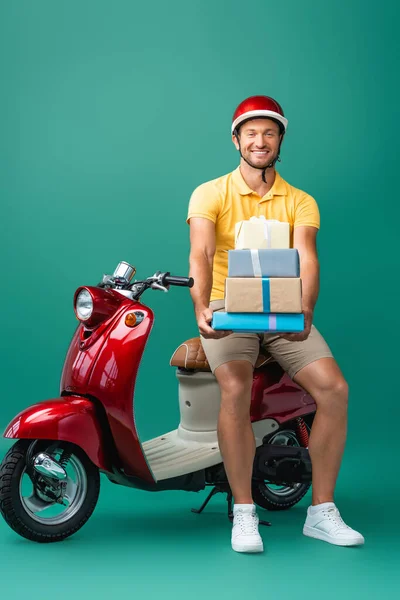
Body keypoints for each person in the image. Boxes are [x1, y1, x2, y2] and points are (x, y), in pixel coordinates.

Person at [186, 95, 364, 553]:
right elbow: (201, 254)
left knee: (335, 389)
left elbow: (307, 255)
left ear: (280, 140)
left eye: (269, 133)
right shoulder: (210, 192)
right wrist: (201, 306)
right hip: (230, 304)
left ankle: (321, 511)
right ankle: (244, 513)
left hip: (282, 308)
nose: (259, 141)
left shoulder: (300, 200)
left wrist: (305, 310)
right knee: (234, 388)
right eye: (251, 133)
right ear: (236, 140)